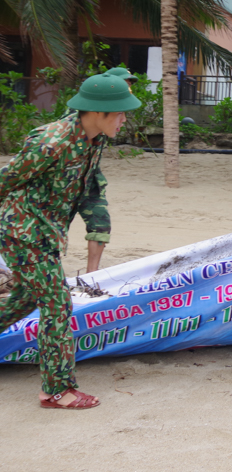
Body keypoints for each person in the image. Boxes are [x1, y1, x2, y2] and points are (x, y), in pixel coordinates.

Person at [0, 72, 142, 410]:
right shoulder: (52, 142)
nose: (124, 120)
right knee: (57, 303)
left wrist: (97, 232)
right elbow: (6, 180)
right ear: (98, 112)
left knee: (22, 299)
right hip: (24, 233)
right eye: (120, 113)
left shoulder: (94, 139)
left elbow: (89, 191)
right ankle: (56, 390)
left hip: (46, 233)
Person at [73, 66, 138, 273]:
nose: (129, 89)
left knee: (100, 224)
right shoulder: (85, 115)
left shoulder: (113, 115)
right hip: (67, 179)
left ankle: (92, 275)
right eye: (125, 84)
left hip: (90, 179)